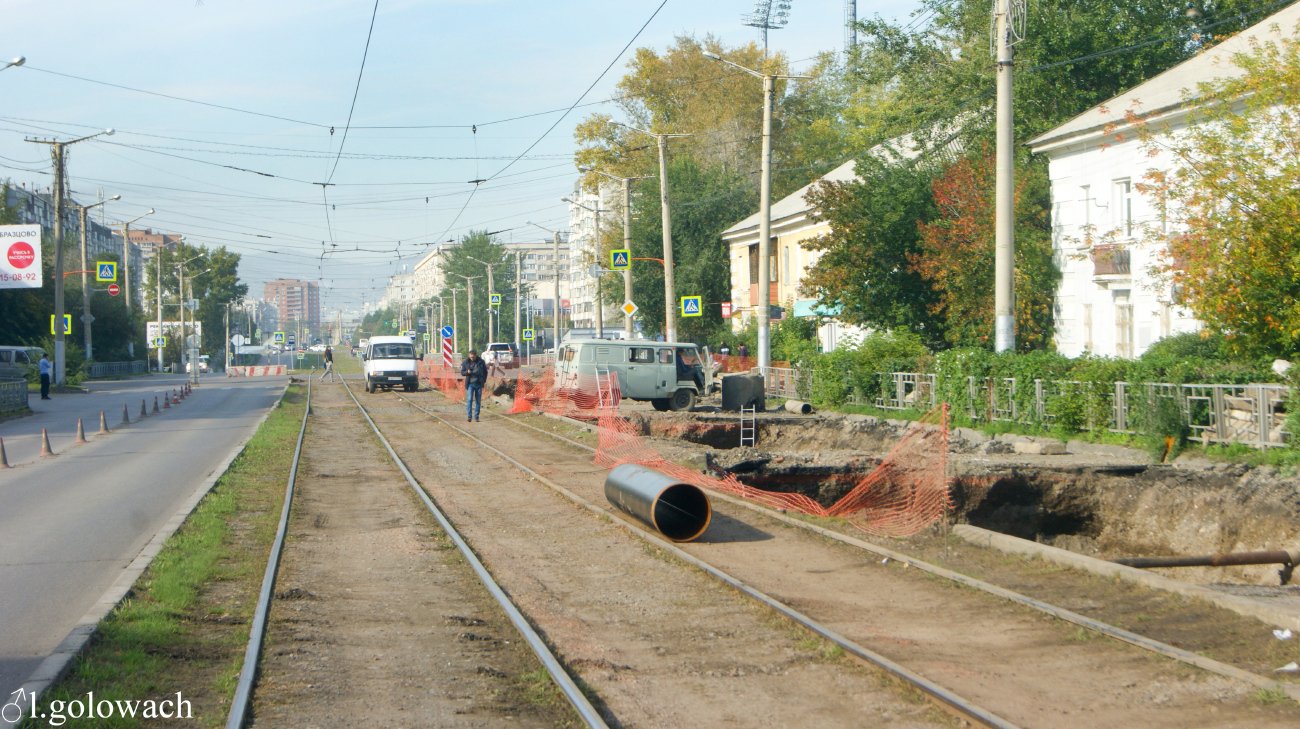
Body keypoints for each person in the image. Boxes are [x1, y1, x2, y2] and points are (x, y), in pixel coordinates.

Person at [460, 349, 487, 422]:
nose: (472, 358)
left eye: (473, 357)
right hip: (470, 384)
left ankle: (476, 416)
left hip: (478, 383)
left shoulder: (481, 362)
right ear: (469, 356)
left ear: (476, 356)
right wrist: (467, 372)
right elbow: (462, 372)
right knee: (469, 399)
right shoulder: (466, 362)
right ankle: (469, 416)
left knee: (478, 401)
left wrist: (483, 380)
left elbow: (485, 372)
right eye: (471, 357)